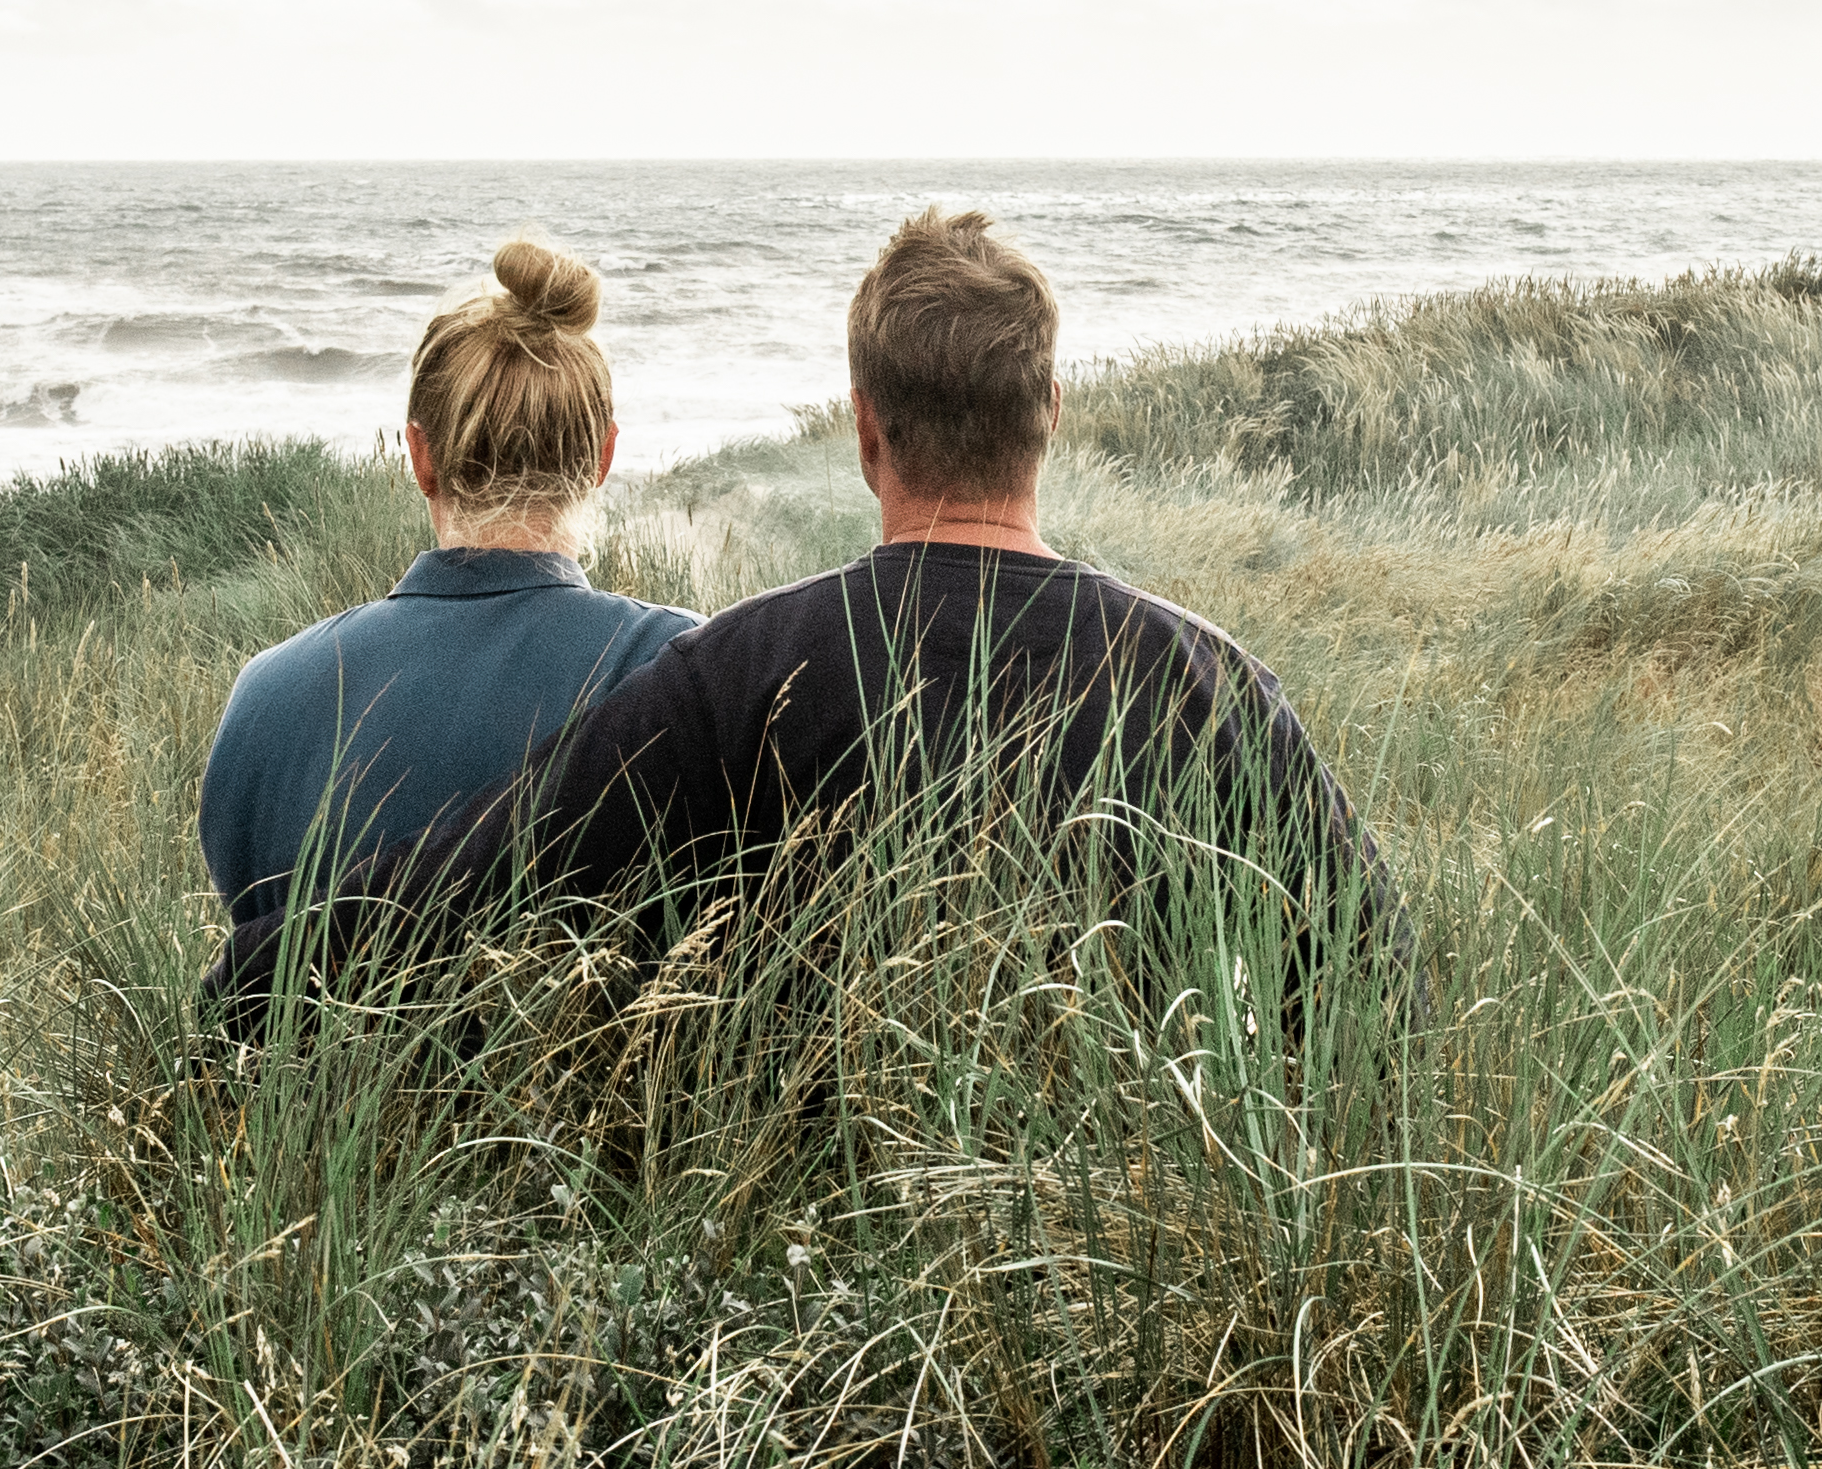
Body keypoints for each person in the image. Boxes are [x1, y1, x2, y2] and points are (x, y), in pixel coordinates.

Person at [256, 204, 1391, 1016]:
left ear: (863, 429)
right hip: (1137, 1264)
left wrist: (244, 983)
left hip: (821, 1272)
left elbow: (483, 876)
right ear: (1049, 409)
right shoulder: (1210, 680)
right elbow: (1371, 983)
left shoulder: (747, 670)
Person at [196, 237, 697, 991]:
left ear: (419, 457)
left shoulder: (265, 693)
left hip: (316, 1105)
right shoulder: (677, 666)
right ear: (601, 457)